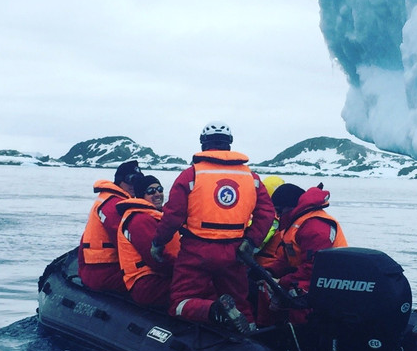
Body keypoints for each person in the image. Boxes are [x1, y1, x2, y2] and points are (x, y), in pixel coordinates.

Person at [150, 121, 275, 333]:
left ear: (203, 143)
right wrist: (251, 242)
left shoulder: (191, 175)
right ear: (229, 144)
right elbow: (267, 213)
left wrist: (158, 243)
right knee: (241, 302)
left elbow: (173, 215)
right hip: (235, 252)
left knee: (179, 302)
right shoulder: (251, 177)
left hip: (196, 251)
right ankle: (251, 337)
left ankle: (215, 310)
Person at [257, 182, 348, 326]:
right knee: (265, 285)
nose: (278, 216)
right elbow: (288, 257)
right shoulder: (298, 222)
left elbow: (314, 268)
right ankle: (267, 331)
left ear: (290, 207)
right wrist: (268, 272)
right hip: (309, 275)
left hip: (329, 280)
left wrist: (283, 282)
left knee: (297, 293)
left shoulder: (314, 226)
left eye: (279, 211)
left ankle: (301, 333)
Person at [116, 174, 180, 310]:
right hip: (148, 284)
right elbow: (156, 260)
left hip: (162, 277)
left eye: (160, 189)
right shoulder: (140, 220)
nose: (157, 194)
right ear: (141, 195)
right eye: (151, 191)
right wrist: (187, 271)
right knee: (199, 288)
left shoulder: (158, 216)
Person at [77, 159, 140, 292]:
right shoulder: (114, 205)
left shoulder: (108, 198)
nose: (134, 185)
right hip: (105, 271)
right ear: (120, 180)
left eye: (137, 181)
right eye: (130, 180)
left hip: (96, 269)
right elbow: (127, 240)